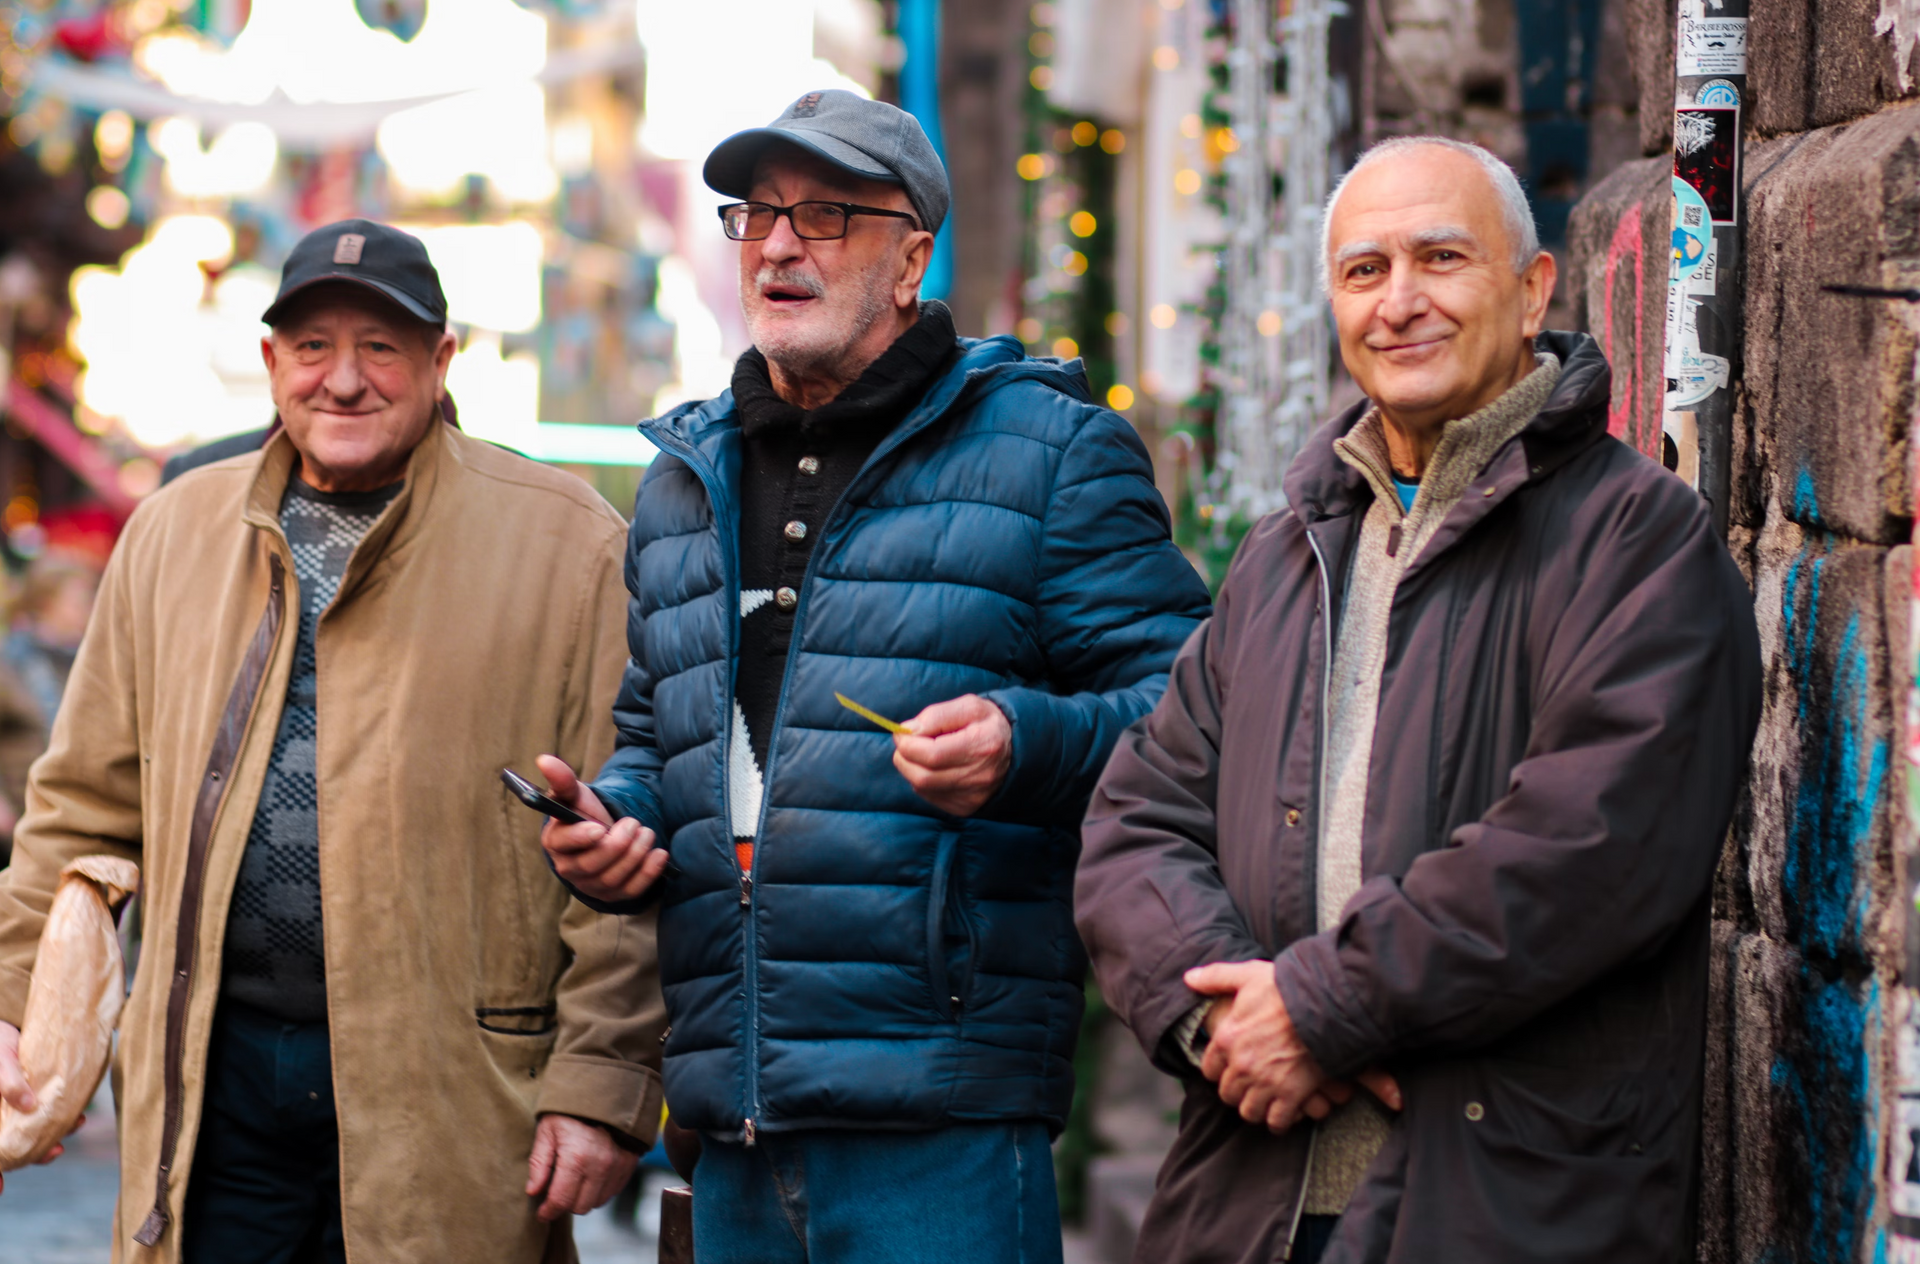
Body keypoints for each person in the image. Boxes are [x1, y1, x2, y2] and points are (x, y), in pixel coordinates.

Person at [535, 90, 1212, 1262]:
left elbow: (1198, 716)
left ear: (911, 258)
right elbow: (660, 741)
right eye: (757, 216)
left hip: (939, 1115)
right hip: (732, 1115)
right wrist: (620, 824)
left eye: (828, 215)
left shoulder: (1051, 451)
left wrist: (1022, 739)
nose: (781, 244)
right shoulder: (683, 482)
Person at [1074, 137, 1763, 1264]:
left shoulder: (1638, 539)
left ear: (1533, 288)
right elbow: (1134, 821)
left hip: (1502, 1206)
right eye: (1363, 270)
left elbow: (1584, 849)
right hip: (1256, 1200)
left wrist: (1320, 1005)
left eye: (1441, 258)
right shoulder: (1288, 551)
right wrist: (1221, 1024)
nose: (1399, 303)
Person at [0, 219, 666, 1261]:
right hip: (211, 1084)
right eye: (313, 347)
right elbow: (81, 807)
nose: (342, 380)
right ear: (272, 363)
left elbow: (626, 833)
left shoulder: (570, 544)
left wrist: (601, 1084)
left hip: (453, 1090)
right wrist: (10, 1002)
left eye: (381, 347)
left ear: (443, 360)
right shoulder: (173, 534)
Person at [0, 556, 100, 857]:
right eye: (78, 601)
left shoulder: (87, 658)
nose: (89, 608)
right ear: (46, 603)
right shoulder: (11, 660)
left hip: (70, 814)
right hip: (21, 815)